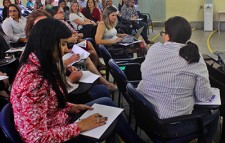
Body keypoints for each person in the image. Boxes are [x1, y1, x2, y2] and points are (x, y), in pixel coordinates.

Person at [10, 18, 142, 143]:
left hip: (58, 121)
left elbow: (49, 103)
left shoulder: (40, 64)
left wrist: (70, 107)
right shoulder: (33, 82)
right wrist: (79, 126)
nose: (66, 50)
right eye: (62, 44)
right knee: (108, 114)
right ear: (47, 43)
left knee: (107, 104)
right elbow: (35, 138)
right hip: (55, 134)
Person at [137, 16, 219, 143]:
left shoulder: (154, 49)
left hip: (146, 117)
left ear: (168, 36)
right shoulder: (193, 57)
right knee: (215, 112)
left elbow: (144, 71)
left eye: (163, 33)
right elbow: (203, 96)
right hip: (169, 126)